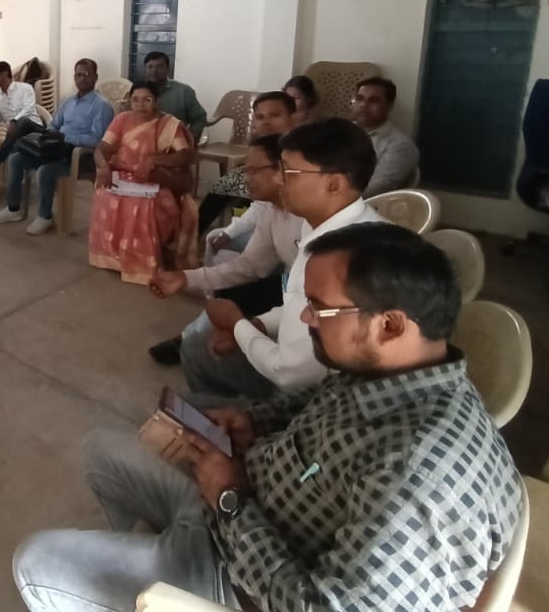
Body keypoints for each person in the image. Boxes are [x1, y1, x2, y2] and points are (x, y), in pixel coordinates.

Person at [13, 221, 524, 612]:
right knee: (101, 449)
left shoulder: (416, 474)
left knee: (36, 562)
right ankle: (141, 565)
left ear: (390, 324)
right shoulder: (393, 370)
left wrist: (230, 500)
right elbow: (317, 401)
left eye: (320, 308)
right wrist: (255, 420)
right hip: (235, 509)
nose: (304, 318)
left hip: (239, 576)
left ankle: (159, 581)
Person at [182, 118, 389, 407]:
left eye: (289, 172)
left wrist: (237, 324)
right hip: (301, 369)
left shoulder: (345, 255)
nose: (279, 180)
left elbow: (290, 374)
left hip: (322, 400)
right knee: (197, 345)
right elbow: (297, 305)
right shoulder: (319, 226)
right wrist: (258, 324)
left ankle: (255, 425)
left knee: (184, 409)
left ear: (334, 183)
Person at [149, 135, 301, 364]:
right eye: (245, 170)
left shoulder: (309, 217)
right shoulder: (271, 212)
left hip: (310, 297)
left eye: (254, 171)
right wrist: (185, 278)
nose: (245, 178)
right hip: (292, 285)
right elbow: (250, 265)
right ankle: (192, 340)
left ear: (284, 171)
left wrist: (257, 325)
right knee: (230, 294)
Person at [88, 81, 199, 284]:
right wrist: (103, 166)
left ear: (156, 101)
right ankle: (113, 258)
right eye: (135, 100)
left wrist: (154, 160)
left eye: (147, 100)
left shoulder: (168, 124)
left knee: (140, 205)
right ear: (129, 101)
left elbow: (185, 155)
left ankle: (140, 262)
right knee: (104, 193)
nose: (140, 105)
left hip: (156, 180)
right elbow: (102, 148)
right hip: (122, 176)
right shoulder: (121, 119)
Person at [0, 58, 114, 236]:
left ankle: (45, 216)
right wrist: (50, 136)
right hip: (56, 148)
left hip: (79, 155)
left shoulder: (101, 106)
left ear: (95, 77)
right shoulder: (69, 102)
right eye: (78, 75)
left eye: (87, 74)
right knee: (15, 159)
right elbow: (54, 124)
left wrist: (65, 137)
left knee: (45, 170)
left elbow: (96, 140)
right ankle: (13, 209)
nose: (82, 78)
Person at [195, 91, 297, 235]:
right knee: (226, 185)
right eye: (260, 117)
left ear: (293, 117)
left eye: (275, 115)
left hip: (291, 230)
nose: (266, 122)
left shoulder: (302, 155)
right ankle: (191, 237)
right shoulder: (257, 151)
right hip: (258, 219)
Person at [352, 77, 420, 196]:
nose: (363, 105)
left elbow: (376, 188)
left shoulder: (400, 146)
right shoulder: (340, 132)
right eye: (359, 99)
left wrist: (332, 201)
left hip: (362, 204)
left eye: (373, 101)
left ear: (389, 106)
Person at [0, 61, 45, 178]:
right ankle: (15, 185)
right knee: (15, 145)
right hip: (15, 135)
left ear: (5, 74)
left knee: (22, 121)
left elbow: (29, 108)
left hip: (35, 127)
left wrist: (14, 121)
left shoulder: (25, 88)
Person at [142, 52, 207, 142]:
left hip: (174, 142)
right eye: (150, 67)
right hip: (142, 142)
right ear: (145, 69)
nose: (154, 70)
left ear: (168, 69)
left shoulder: (183, 91)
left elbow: (199, 118)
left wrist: (190, 138)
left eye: (159, 66)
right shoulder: (138, 91)